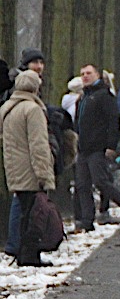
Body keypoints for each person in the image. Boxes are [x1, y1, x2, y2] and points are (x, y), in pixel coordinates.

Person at [73, 63, 120, 232]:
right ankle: (87, 220)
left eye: (89, 73)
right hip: (83, 148)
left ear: (98, 75)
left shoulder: (104, 96)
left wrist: (111, 145)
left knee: (101, 181)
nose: (85, 76)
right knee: (82, 185)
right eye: (82, 73)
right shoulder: (83, 98)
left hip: (98, 148)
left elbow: (113, 121)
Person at [0, 70, 55, 267]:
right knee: (34, 215)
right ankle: (30, 255)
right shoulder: (32, 110)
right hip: (30, 169)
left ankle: (20, 251)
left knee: (23, 212)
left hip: (14, 168)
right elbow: (38, 145)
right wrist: (44, 174)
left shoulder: (7, 109)